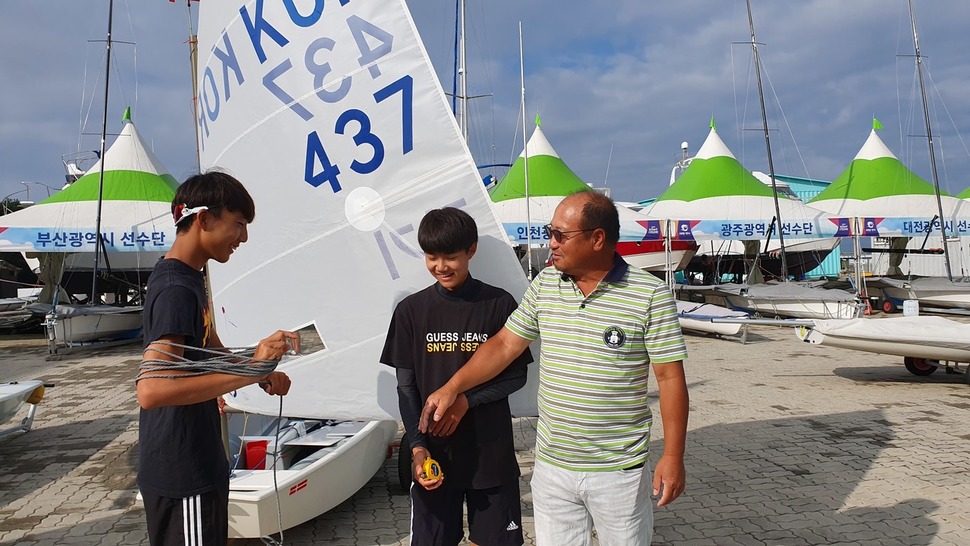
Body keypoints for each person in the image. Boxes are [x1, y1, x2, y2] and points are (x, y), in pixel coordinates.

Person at [420, 191, 689, 546]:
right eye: (550, 232)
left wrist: (673, 456)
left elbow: (670, 379)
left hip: (618, 471)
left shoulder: (649, 294)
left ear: (597, 238)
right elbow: (504, 345)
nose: (551, 244)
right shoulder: (546, 285)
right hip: (552, 467)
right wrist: (451, 387)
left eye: (561, 235)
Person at [135, 171, 298, 546]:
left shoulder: (191, 276)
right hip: (183, 470)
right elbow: (153, 389)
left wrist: (259, 368)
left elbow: (210, 350)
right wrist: (253, 370)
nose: (244, 237)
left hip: (199, 460)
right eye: (238, 224)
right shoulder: (175, 288)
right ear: (204, 219)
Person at [381, 207, 534, 546]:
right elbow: (406, 388)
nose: (441, 267)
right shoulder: (411, 311)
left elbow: (517, 377)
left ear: (472, 251)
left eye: (450, 257)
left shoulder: (498, 303)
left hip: (490, 454)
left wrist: (465, 400)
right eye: (432, 257)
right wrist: (418, 448)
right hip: (434, 455)